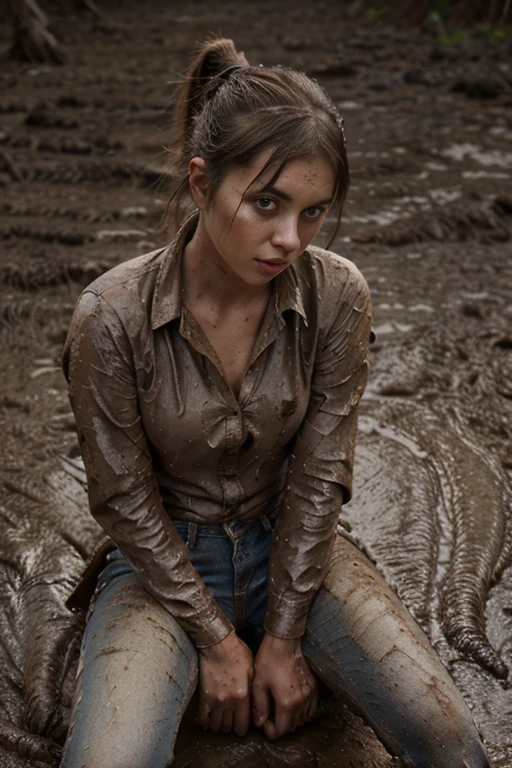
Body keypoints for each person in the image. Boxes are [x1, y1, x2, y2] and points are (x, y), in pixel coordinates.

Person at [60, 38, 489, 768]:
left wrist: (284, 640)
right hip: (159, 569)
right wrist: (220, 645)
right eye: (267, 203)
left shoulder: (337, 294)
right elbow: (124, 500)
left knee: (449, 742)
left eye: (314, 212)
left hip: (295, 549)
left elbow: (320, 478)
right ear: (201, 183)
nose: (289, 238)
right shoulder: (111, 316)